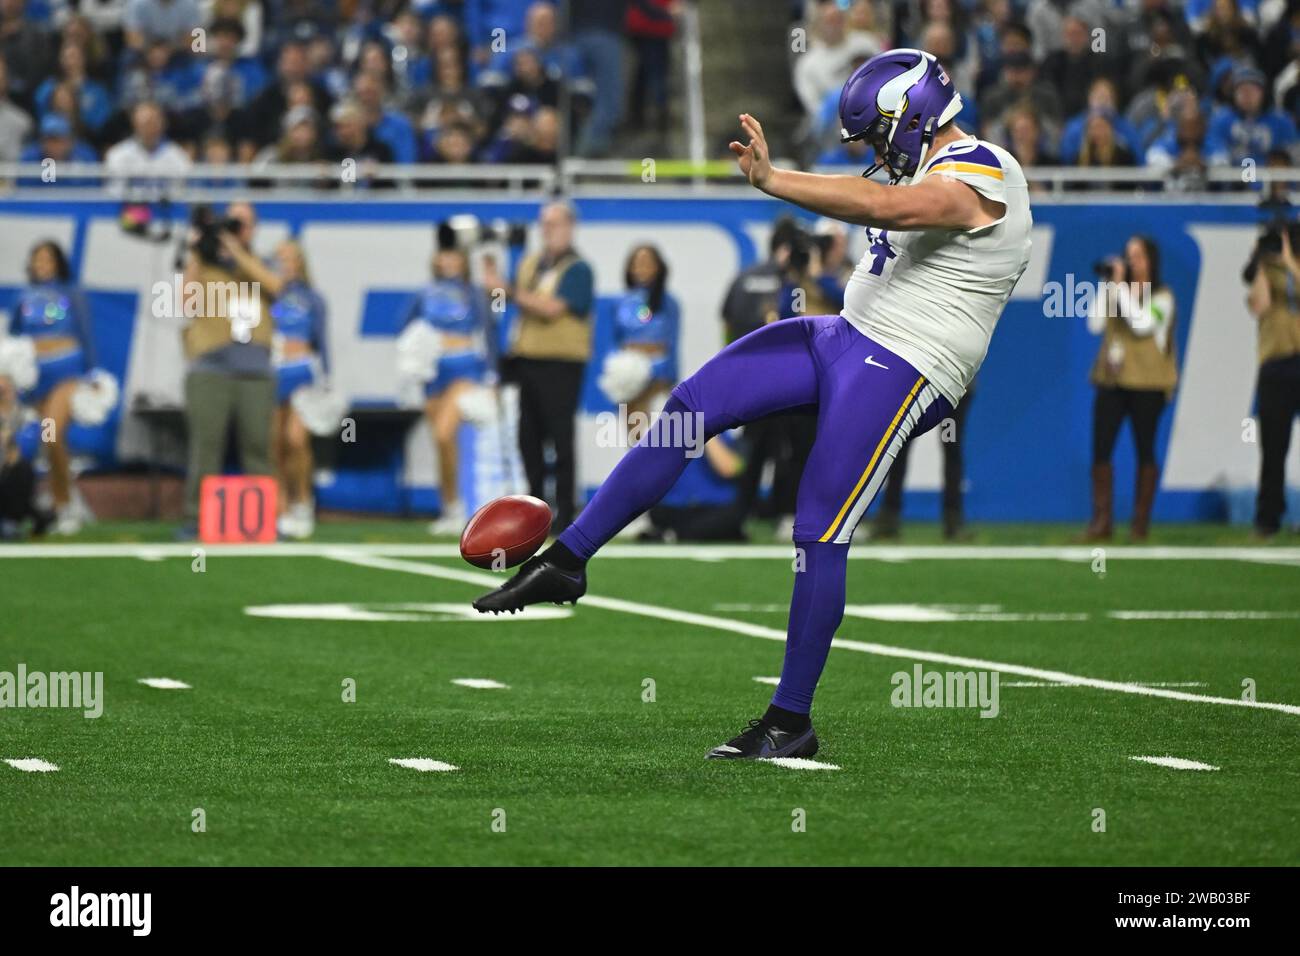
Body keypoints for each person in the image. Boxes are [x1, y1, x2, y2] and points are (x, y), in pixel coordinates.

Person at [472, 50, 1032, 760]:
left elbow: (891, 206)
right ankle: (571, 557)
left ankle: (790, 721)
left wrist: (775, 181)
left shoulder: (987, 168)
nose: (875, 154)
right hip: (846, 335)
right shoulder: (925, 166)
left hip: (906, 365)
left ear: (912, 114)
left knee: (818, 530)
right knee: (693, 404)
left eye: (877, 135)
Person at [488, 200, 594, 531]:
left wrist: (507, 289)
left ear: (570, 226)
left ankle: (565, 510)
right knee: (528, 438)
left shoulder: (578, 269)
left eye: (555, 223)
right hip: (528, 358)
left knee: (560, 438)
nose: (547, 230)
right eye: (544, 223)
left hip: (561, 363)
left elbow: (551, 309)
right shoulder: (532, 264)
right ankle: (535, 507)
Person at [177, 202, 276, 537]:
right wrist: (197, 251)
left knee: (258, 445)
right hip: (210, 367)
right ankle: (196, 518)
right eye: (232, 223)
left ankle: (262, 519)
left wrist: (237, 252)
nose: (236, 229)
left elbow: (276, 287)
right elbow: (187, 302)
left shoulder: (260, 262)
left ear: (253, 229)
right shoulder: (204, 264)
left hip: (256, 368)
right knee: (206, 445)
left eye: (243, 224)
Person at [1080, 236, 1177, 542]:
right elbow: (1094, 325)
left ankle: (1139, 523)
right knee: (1101, 447)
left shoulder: (1163, 297)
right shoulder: (1116, 291)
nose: (1131, 261)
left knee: (1144, 448)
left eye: (1138, 255)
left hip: (1148, 384)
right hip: (1112, 381)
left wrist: (1119, 287)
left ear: (1150, 260)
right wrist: (1107, 285)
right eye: (1128, 255)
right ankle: (1102, 520)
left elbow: (1141, 324)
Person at [6, 240, 95, 534]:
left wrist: (92, 376)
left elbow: (85, 334)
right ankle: (61, 496)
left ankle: (64, 503)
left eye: (47, 258)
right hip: (37, 378)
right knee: (45, 437)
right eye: (37, 259)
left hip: (65, 373)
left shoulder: (71, 293)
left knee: (53, 433)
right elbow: (15, 339)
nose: (42, 264)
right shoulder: (24, 298)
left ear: (58, 262)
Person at [403, 242, 492, 536]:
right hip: (433, 371)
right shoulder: (424, 293)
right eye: (444, 254)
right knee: (441, 442)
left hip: (464, 366)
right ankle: (450, 507)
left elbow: (489, 331)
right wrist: (418, 350)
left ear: (463, 260)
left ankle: (462, 505)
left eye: (454, 255)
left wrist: (492, 374)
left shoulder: (473, 293)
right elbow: (403, 326)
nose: (449, 260)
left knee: (444, 432)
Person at [267, 241, 329, 540]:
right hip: (273, 372)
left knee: (296, 439)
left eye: (291, 259)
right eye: (281, 260)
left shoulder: (312, 298)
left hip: (302, 372)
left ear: (301, 262)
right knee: (275, 444)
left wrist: (326, 380)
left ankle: (304, 501)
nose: (286, 264)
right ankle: (283, 508)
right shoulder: (269, 294)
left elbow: (322, 341)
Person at [1244, 225, 1300, 539]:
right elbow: (1259, 306)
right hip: (1275, 367)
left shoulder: (1293, 268)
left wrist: (1290, 260)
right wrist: (1261, 262)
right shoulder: (1267, 272)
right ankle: (1268, 519)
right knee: (1273, 448)